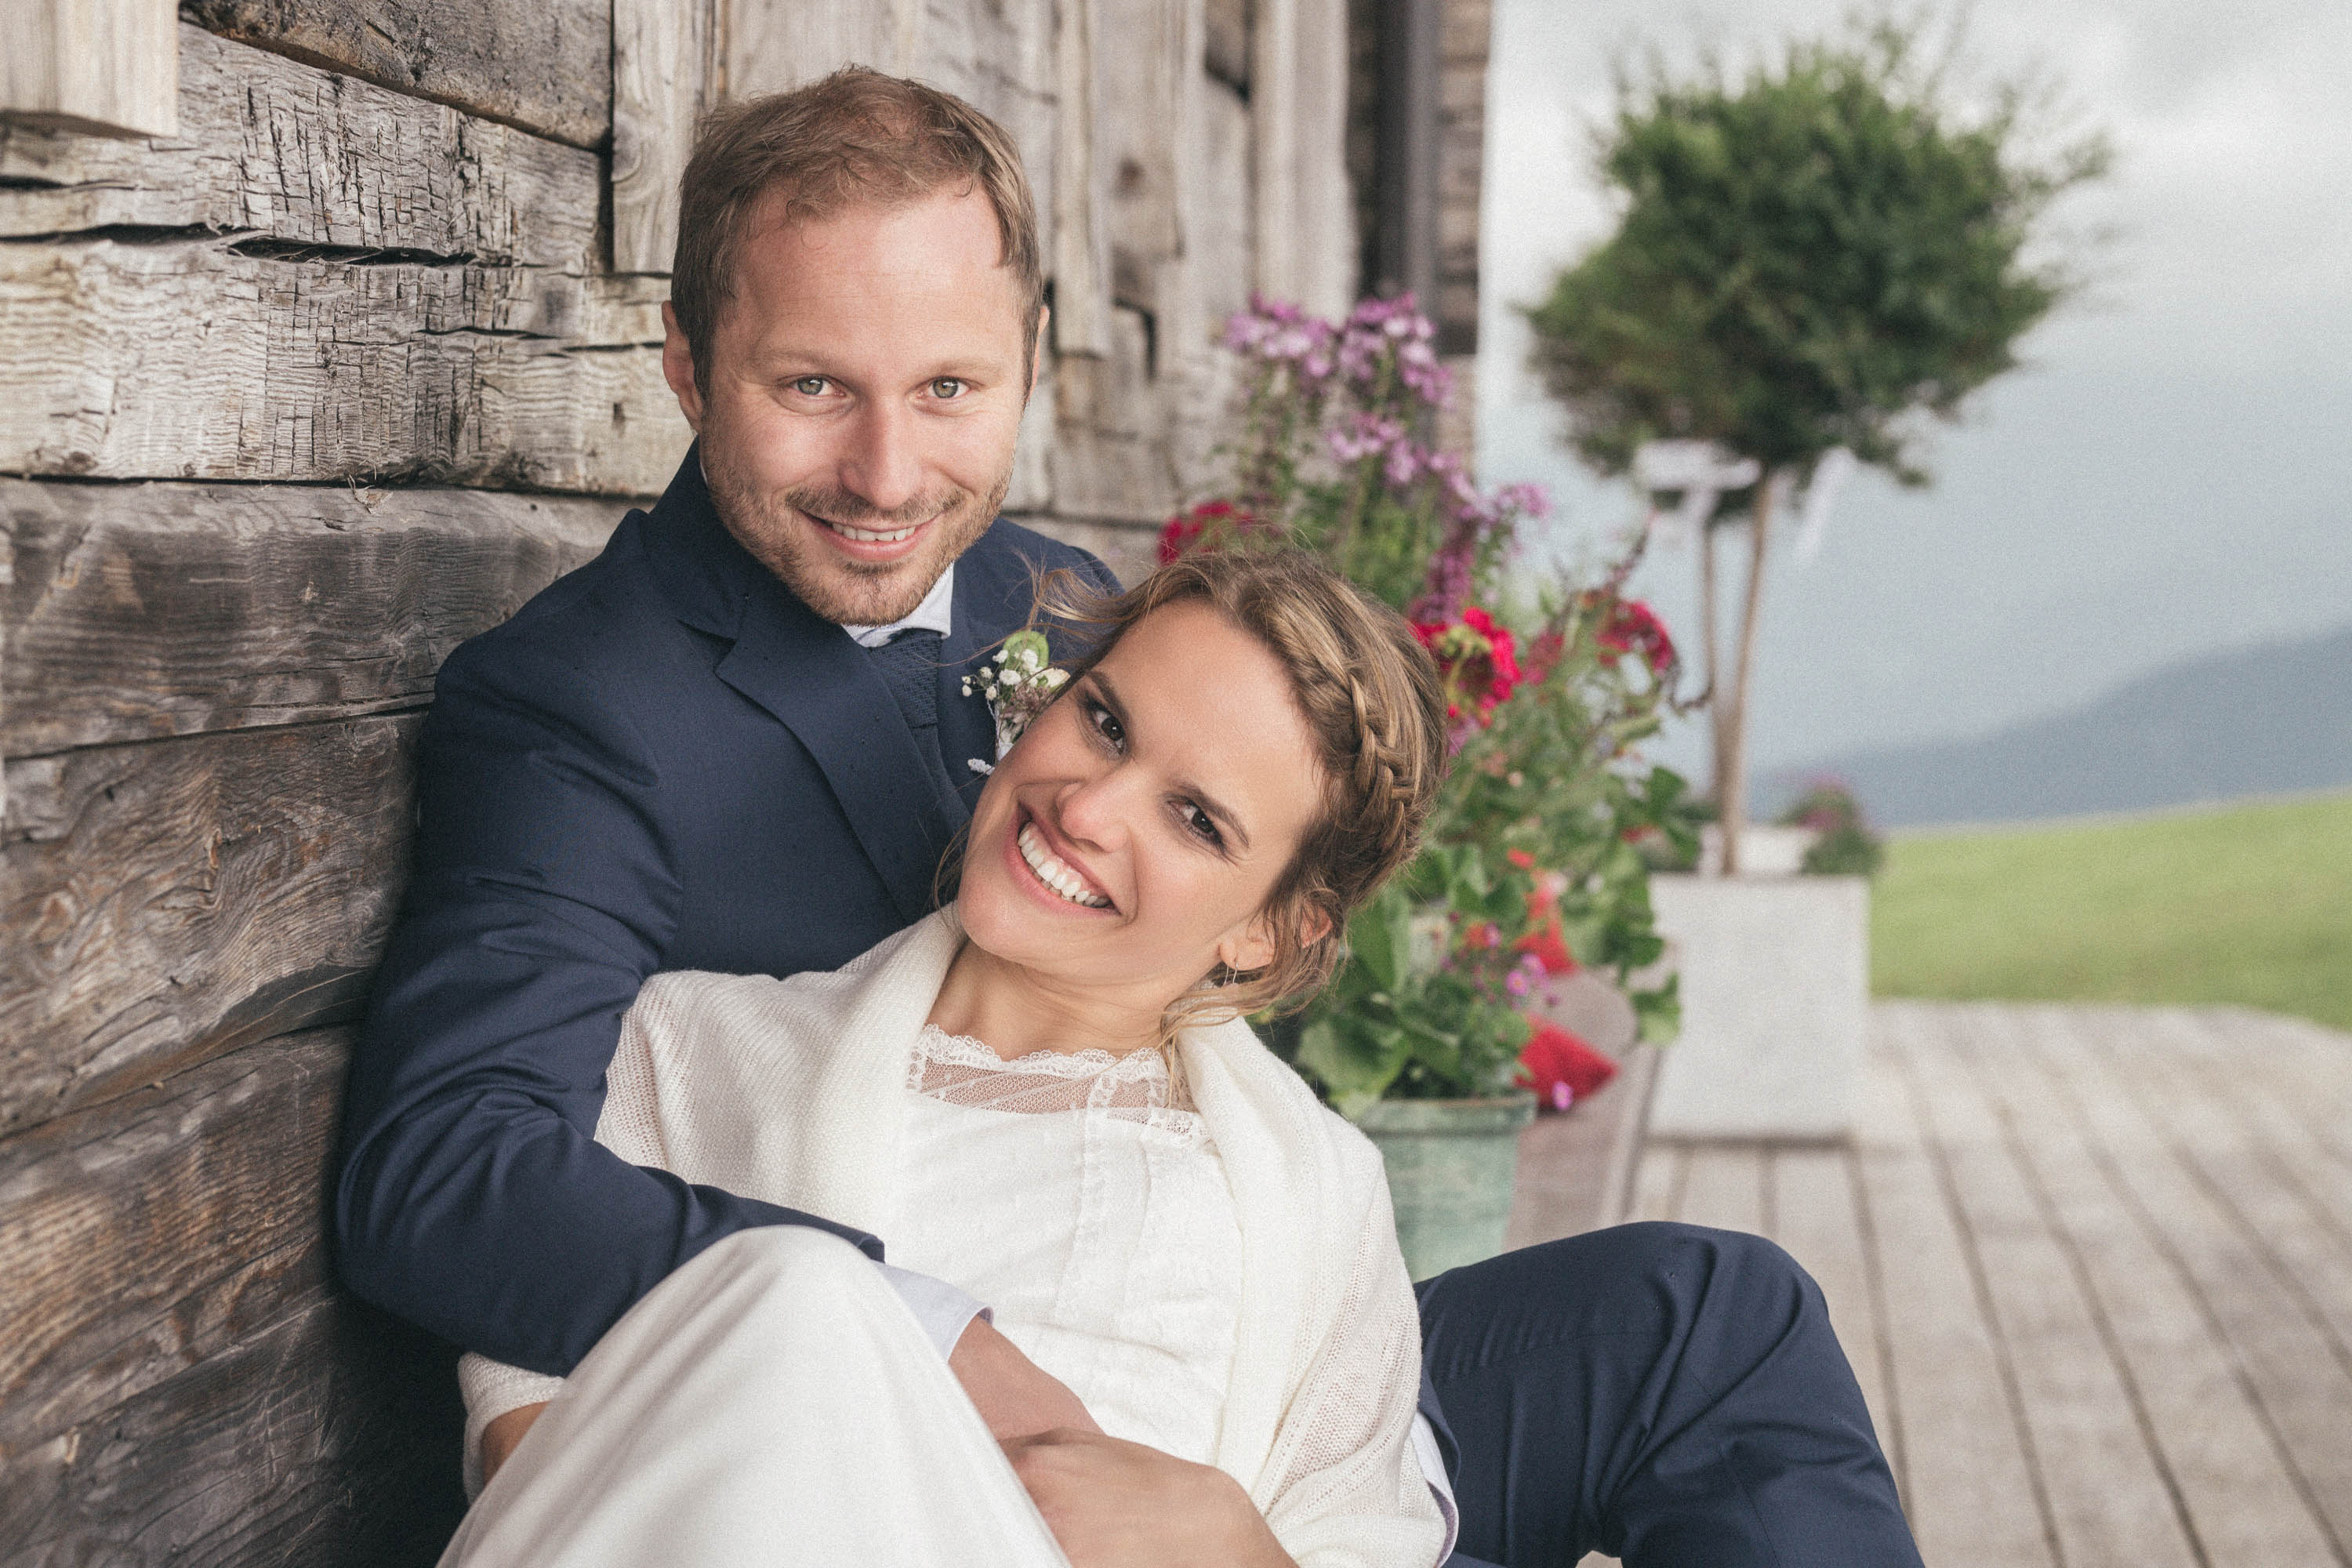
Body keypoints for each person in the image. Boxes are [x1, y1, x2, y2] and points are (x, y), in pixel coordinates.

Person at [336, 66, 1925, 1567]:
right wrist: (940, 1334)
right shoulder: (587, 705)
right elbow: (445, 1175)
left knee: (1713, 1312)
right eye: (813, 386)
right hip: (883, 1373)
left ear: (1028, 359)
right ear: (689, 366)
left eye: (950, 386)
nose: (888, 471)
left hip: (1203, 1323)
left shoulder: (1052, 598)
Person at [442, 549, 1454, 1565]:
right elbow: (534, 1447)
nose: (1087, 809)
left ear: (1272, 931)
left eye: (1195, 820)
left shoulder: (1313, 1194)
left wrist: (1238, 1550)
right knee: (806, 1288)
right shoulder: (692, 1052)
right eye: (1104, 722)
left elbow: (1362, 1537)